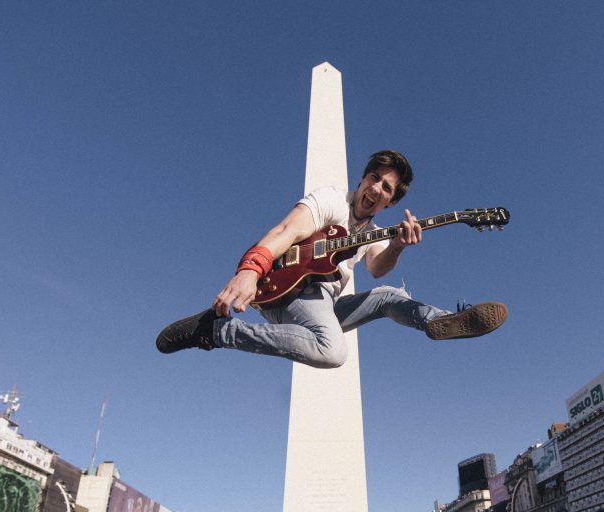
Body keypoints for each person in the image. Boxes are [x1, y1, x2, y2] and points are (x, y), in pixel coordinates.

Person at [157, 150, 509, 367]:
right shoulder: (329, 200)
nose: (376, 189)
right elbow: (286, 231)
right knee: (333, 351)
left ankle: (443, 321)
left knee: (389, 295)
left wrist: (398, 246)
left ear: (390, 203)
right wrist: (249, 270)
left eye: (386, 189)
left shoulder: (373, 231)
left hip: (322, 303)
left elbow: (375, 268)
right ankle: (218, 331)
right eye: (375, 178)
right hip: (290, 290)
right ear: (363, 177)